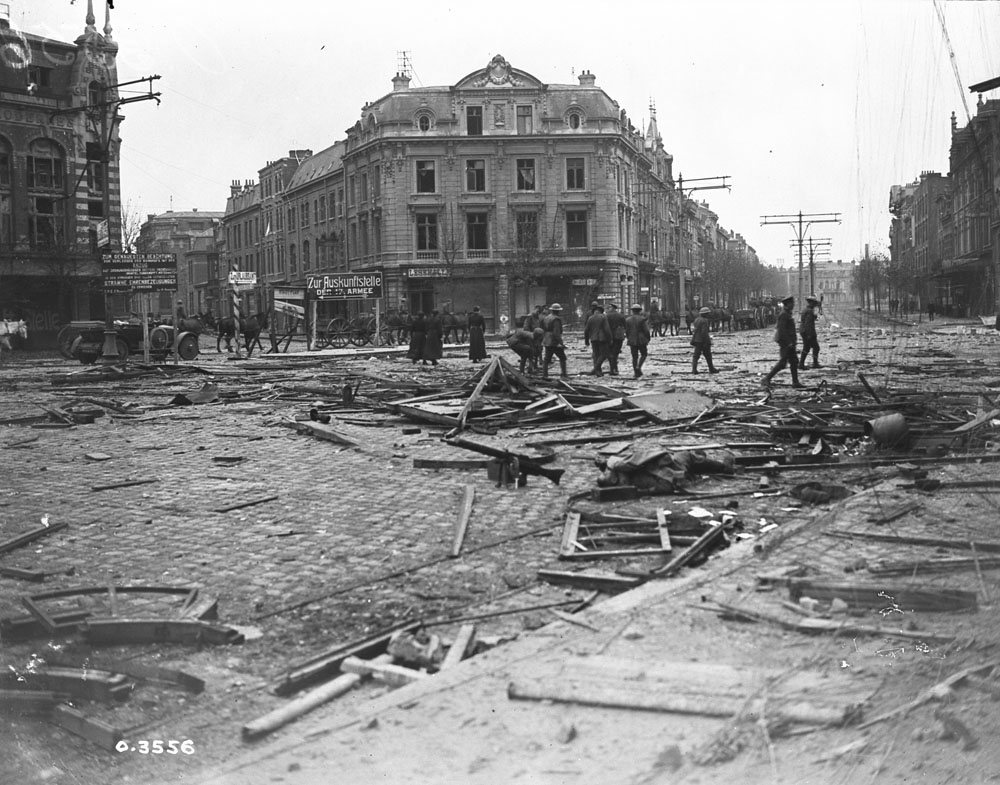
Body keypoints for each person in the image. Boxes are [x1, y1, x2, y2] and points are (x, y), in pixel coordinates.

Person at [762, 296, 805, 389]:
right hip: (786, 343)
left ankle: (795, 382)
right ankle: (767, 378)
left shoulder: (787, 314)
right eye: (791, 303)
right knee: (783, 363)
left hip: (789, 342)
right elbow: (782, 330)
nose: (793, 305)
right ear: (787, 304)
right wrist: (788, 342)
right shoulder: (784, 315)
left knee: (794, 361)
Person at [584, 302, 613, 376]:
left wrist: (586, 340)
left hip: (593, 339)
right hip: (602, 339)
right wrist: (610, 339)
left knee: (596, 355)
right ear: (601, 311)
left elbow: (586, 330)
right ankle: (596, 368)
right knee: (604, 354)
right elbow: (607, 329)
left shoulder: (590, 318)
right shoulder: (603, 317)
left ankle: (598, 372)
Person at [541, 302, 568, 378]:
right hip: (554, 341)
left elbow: (544, 328)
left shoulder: (547, 317)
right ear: (558, 311)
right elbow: (556, 332)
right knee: (562, 357)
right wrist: (561, 343)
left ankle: (545, 375)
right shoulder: (556, 319)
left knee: (546, 359)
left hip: (547, 339)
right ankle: (564, 374)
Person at [690, 306, 719, 374]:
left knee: (696, 356)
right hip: (703, 341)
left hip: (697, 340)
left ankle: (694, 369)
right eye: (708, 313)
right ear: (705, 314)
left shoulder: (696, 319)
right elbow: (704, 332)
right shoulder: (704, 321)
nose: (709, 315)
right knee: (708, 355)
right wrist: (707, 341)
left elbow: (696, 330)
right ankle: (711, 369)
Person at [625, 304, 651, 378]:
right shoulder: (642, 319)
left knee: (634, 356)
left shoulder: (628, 320)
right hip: (641, 340)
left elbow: (627, 331)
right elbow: (646, 331)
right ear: (640, 311)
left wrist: (629, 338)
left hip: (632, 340)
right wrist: (648, 338)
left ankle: (635, 372)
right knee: (644, 354)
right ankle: (638, 367)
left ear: (632, 311)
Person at [799, 295, 821, 369]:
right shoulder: (809, 311)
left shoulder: (807, 309)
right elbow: (808, 323)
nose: (815, 305)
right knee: (816, 347)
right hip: (807, 331)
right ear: (811, 303)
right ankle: (814, 363)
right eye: (814, 303)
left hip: (804, 330)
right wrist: (810, 334)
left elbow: (813, 318)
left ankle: (801, 364)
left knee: (807, 347)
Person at [606, 303, 627, 376]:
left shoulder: (607, 316)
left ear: (612, 308)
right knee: (616, 352)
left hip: (610, 336)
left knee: (610, 353)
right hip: (619, 336)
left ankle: (612, 369)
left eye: (609, 307)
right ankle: (615, 368)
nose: (609, 309)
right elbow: (625, 326)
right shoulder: (621, 315)